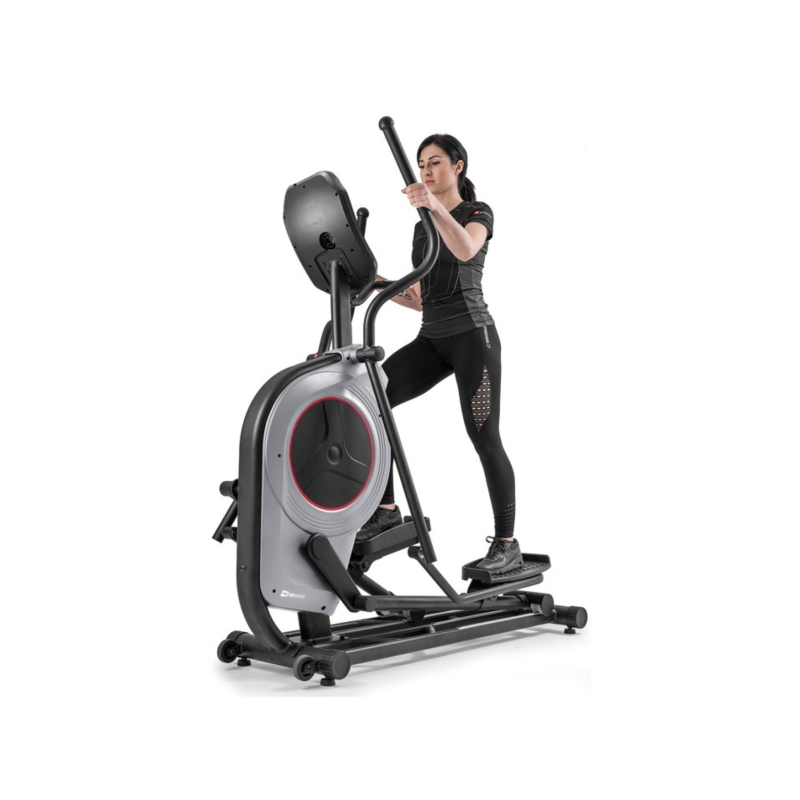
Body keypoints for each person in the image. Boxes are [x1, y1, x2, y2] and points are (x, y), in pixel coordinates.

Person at [356, 133, 521, 575]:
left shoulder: (477, 212)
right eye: (421, 165)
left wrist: (432, 205)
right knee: (373, 401)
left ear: (457, 166)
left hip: (473, 337)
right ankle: (386, 510)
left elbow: (465, 248)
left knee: (484, 437)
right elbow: (419, 299)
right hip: (432, 339)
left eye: (435, 162)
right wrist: (373, 280)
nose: (427, 171)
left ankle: (507, 544)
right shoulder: (422, 226)